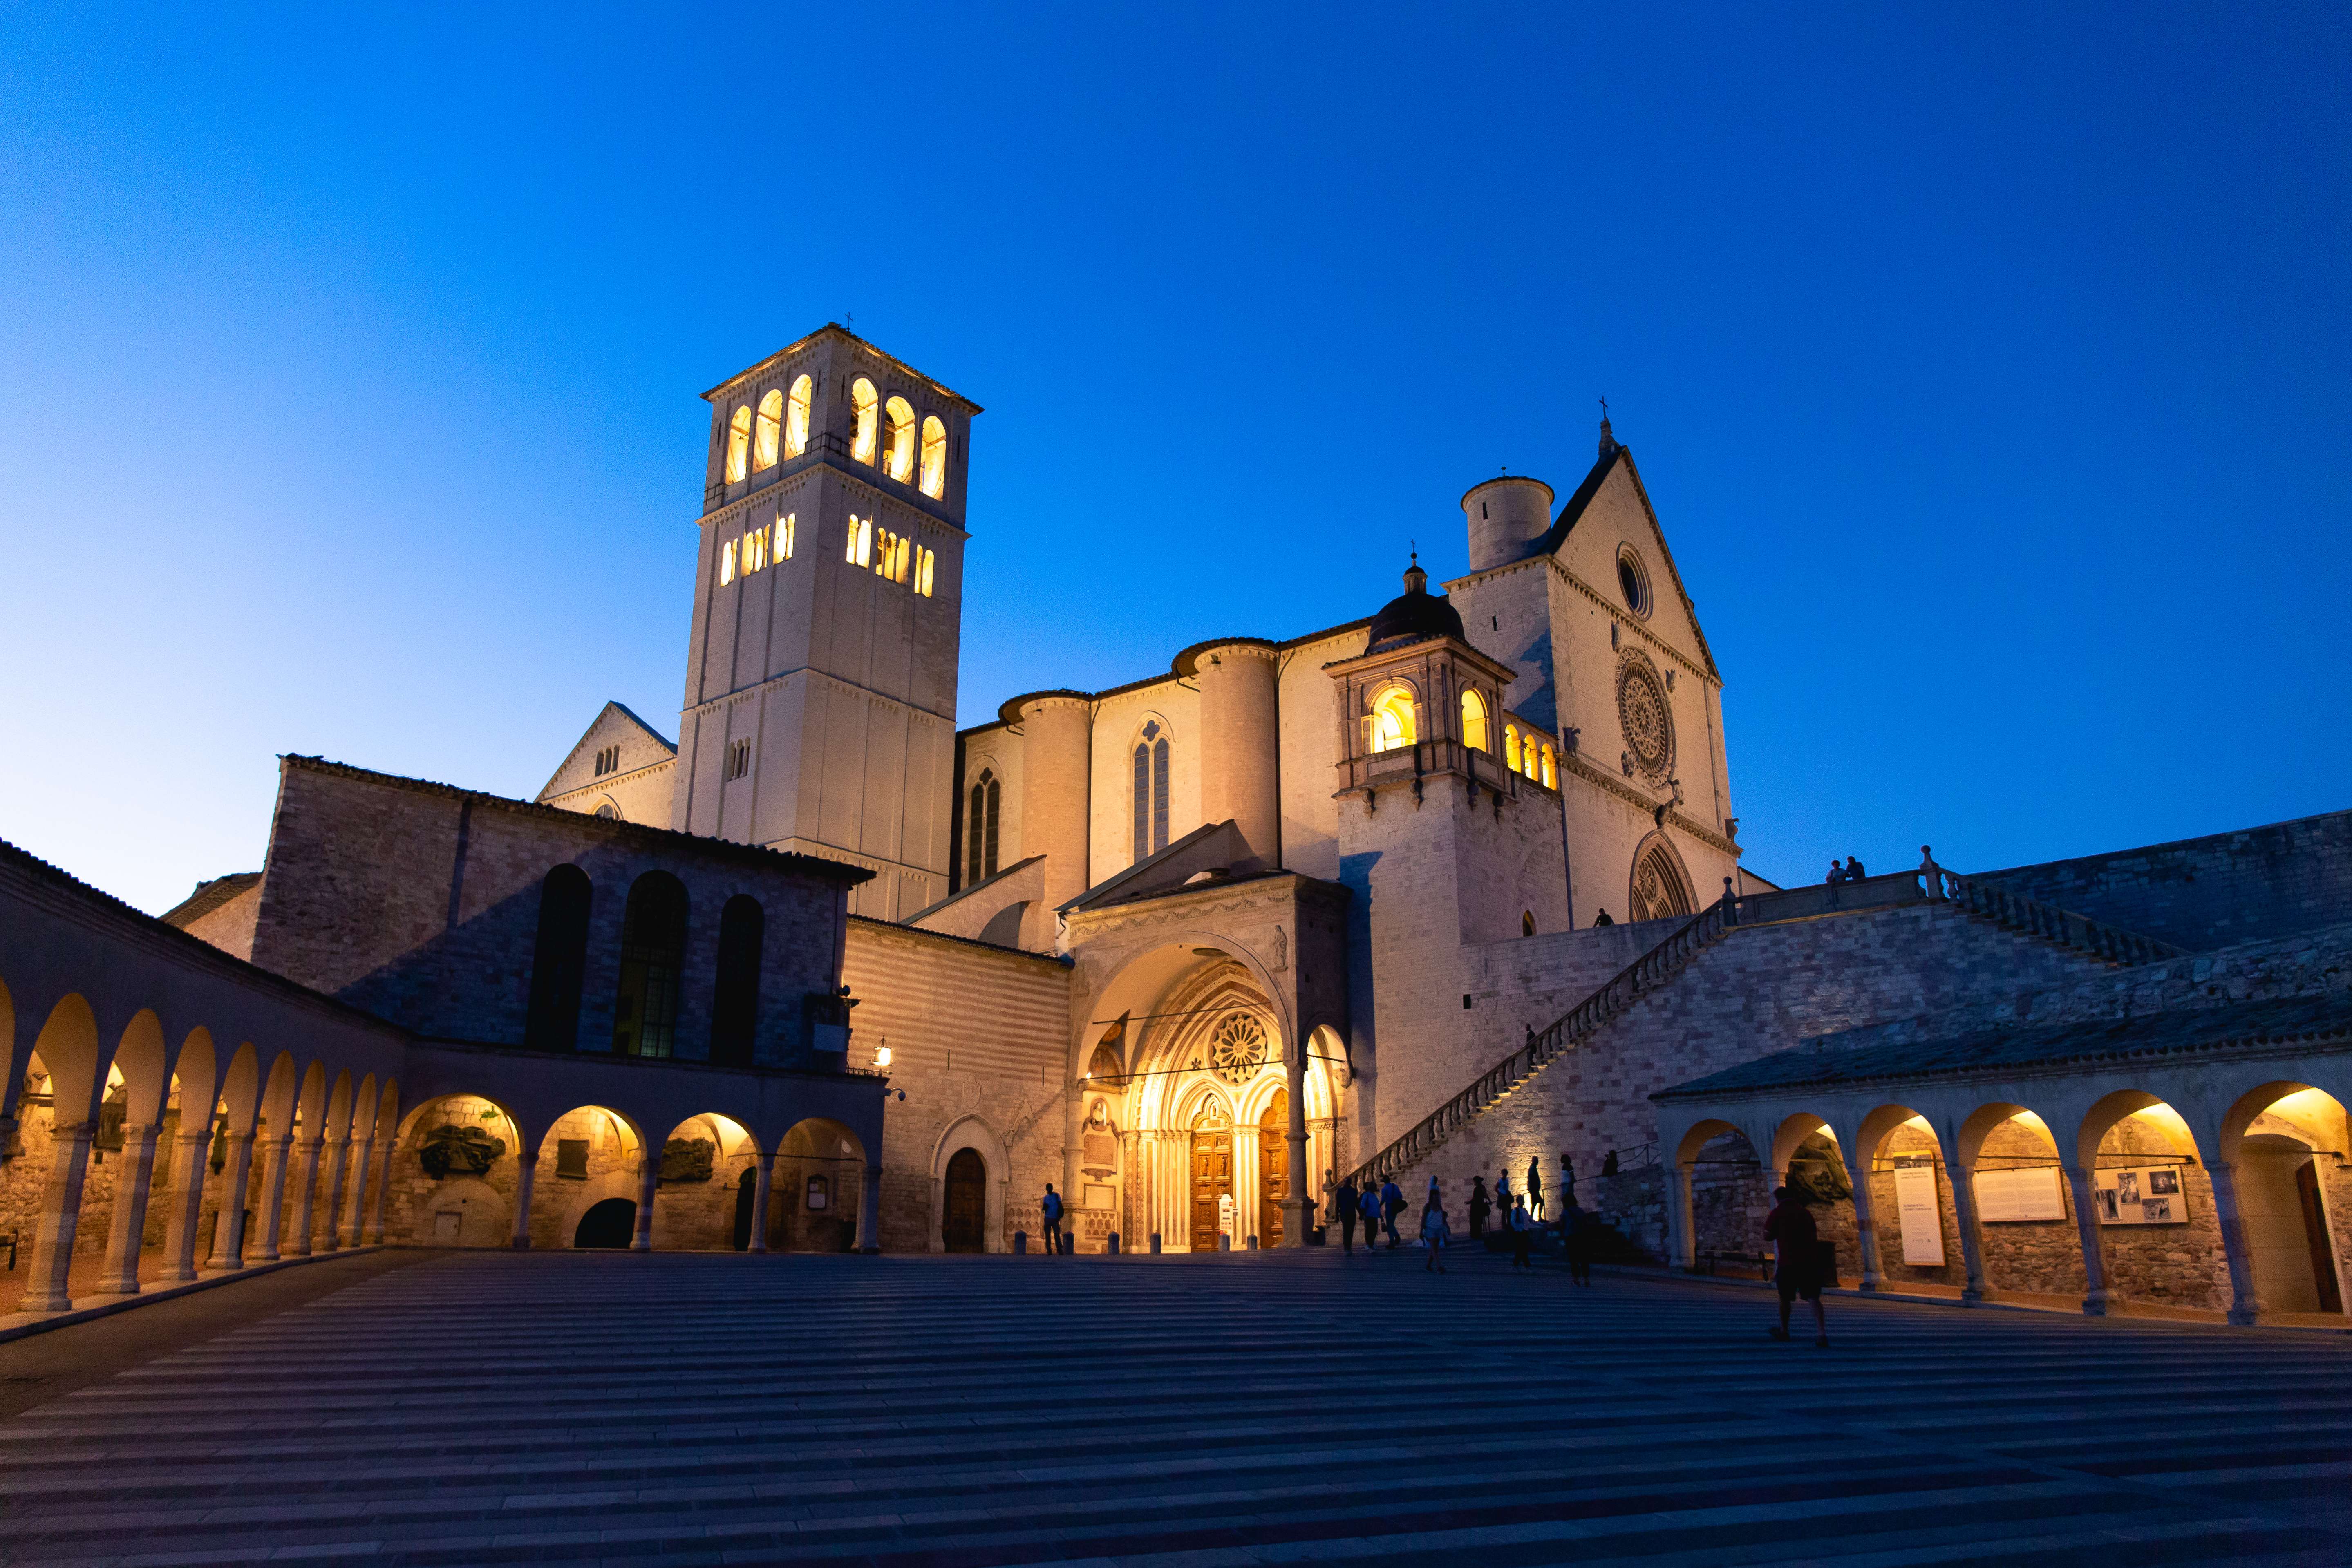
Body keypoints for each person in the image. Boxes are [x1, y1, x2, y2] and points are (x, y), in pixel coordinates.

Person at [1765, 1184, 1828, 1346]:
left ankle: (1784, 1330)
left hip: (1788, 1262)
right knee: (1813, 1297)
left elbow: (1767, 1235)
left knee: (1785, 1297)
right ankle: (1821, 1333)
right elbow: (1814, 1234)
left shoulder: (1777, 1213)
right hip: (1809, 1262)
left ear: (1778, 1199)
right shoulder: (1805, 1213)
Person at [1563, 1199, 1594, 1286]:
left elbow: (1563, 1224)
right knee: (1584, 1258)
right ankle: (1586, 1279)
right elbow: (1586, 1222)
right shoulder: (1581, 1211)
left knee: (1573, 1259)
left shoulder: (1566, 1212)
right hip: (1582, 1237)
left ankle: (1576, 1279)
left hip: (1571, 1237)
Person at [1420, 1190, 1452, 1273]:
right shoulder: (1427, 1207)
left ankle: (1428, 1266)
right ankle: (1439, 1267)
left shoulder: (1439, 1206)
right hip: (1430, 1230)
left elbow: (1442, 1218)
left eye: (1438, 1195)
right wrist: (1421, 1231)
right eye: (1435, 1195)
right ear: (1432, 1196)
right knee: (1434, 1249)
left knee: (1434, 1249)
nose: (1437, 1197)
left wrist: (1448, 1227)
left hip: (1439, 1229)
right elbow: (1423, 1219)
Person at [1333, 1174, 1361, 1254]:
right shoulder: (1349, 1191)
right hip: (1346, 1213)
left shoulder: (1349, 1191)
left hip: (1348, 1213)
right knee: (1347, 1231)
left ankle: (1348, 1247)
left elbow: (1356, 1203)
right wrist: (1336, 1215)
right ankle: (1347, 1247)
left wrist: (1360, 1213)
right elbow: (1338, 1204)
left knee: (1349, 1231)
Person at [1506, 1194, 1534, 1270]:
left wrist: (1541, 1225)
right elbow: (1513, 1222)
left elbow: (1530, 1220)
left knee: (1522, 1247)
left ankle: (1517, 1262)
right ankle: (1526, 1262)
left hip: (1525, 1232)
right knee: (1522, 1247)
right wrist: (1519, 1228)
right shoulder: (1515, 1211)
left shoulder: (1525, 1210)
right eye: (1521, 1200)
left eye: (1523, 1200)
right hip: (1519, 1232)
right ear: (1518, 1201)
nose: (1522, 1201)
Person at [1041, 1183, 1065, 1256]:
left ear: (1052, 1188)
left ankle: (1060, 1250)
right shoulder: (1046, 1198)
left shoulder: (1057, 1196)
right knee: (1048, 1235)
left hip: (1055, 1218)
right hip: (1048, 1218)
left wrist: (1060, 1215)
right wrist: (1044, 1208)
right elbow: (1044, 1207)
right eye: (1048, 1188)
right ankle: (1049, 1250)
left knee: (1057, 1235)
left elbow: (1060, 1205)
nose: (1050, 1189)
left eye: (1050, 1188)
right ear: (1047, 1189)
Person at [1380, 1179, 1405, 1248]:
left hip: (1389, 1207)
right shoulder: (1395, 1186)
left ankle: (1392, 1242)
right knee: (1391, 1224)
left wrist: (1379, 1205)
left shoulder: (1385, 1189)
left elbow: (1383, 1200)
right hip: (1396, 1207)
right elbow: (1401, 1196)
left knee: (1389, 1225)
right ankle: (1397, 1237)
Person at [1359, 1184, 1383, 1253]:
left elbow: (1376, 1206)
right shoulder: (1366, 1195)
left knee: (1375, 1230)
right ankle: (1369, 1245)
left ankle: (1371, 1244)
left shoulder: (1374, 1195)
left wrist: (1381, 1217)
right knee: (1369, 1231)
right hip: (1369, 1216)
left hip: (1375, 1216)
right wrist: (1363, 1215)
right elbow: (1363, 1205)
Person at [1468, 1176, 1492, 1241]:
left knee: (1477, 1220)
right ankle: (1477, 1234)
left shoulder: (1480, 1187)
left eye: (1474, 1181)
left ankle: (1477, 1234)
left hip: (1477, 1206)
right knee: (1476, 1220)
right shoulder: (1480, 1187)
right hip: (1477, 1205)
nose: (1474, 1183)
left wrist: (1490, 1201)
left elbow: (1485, 1195)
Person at [1526, 1156, 1544, 1221]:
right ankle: (1537, 1218)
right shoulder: (1532, 1168)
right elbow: (1532, 1179)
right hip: (1534, 1190)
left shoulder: (1533, 1168)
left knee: (1535, 1204)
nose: (1538, 1162)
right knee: (1540, 1202)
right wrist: (1535, 1187)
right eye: (1537, 1160)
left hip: (1534, 1190)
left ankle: (1532, 1218)